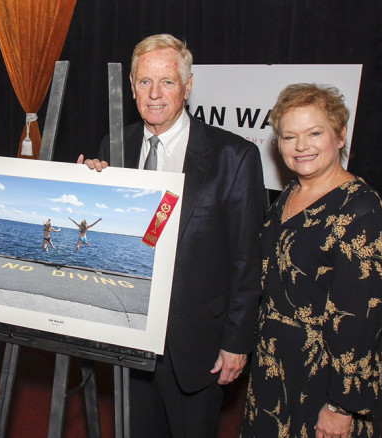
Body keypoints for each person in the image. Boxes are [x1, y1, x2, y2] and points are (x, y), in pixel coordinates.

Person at [79, 34, 265, 437]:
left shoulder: (233, 156)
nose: (155, 94)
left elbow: (247, 260)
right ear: (131, 87)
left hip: (197, 345)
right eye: (145, 82)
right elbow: (108, 230)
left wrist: (237, 341)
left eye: (167, 81)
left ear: (188, 85)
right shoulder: (115, 145)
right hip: (127, 339)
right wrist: (86, 188)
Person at [241, 83, 382, 437]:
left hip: (326, 381)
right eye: (289, 136)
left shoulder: (362, 212)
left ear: (340, 136)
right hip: (275, 365)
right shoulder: (291, 194)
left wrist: (342, 407)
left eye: (314, 132)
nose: (301, 146)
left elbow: (361, 321)